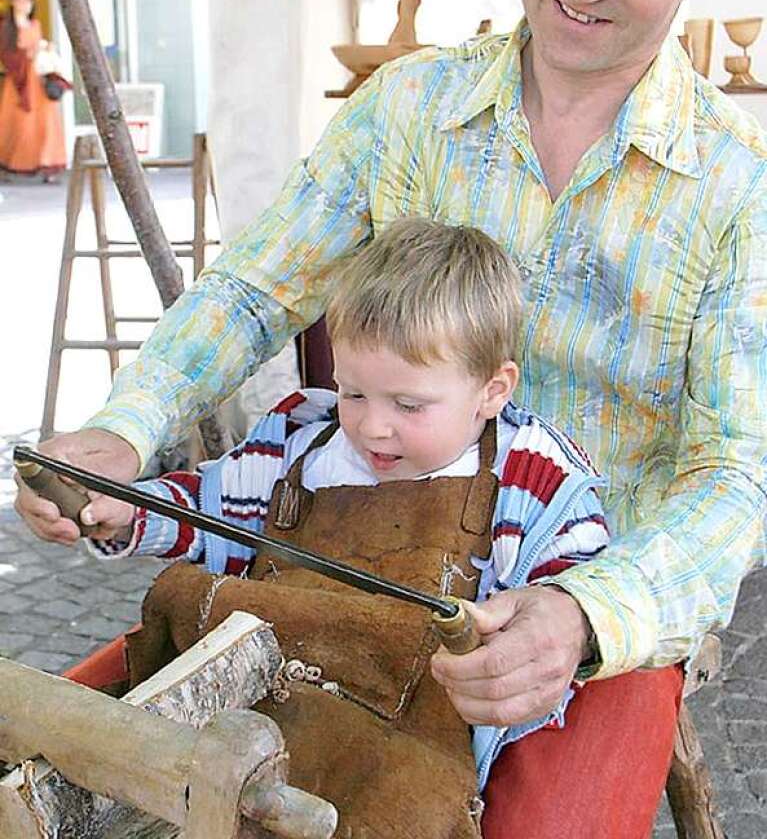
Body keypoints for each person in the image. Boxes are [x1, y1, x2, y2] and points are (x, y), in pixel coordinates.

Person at [15, 0, 767, 835]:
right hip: (337, 571)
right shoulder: (409, 108)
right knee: (64, 752)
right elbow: (251, 290)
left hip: (571, 620)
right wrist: (127, 428)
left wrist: (590, 614)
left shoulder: (733, 189)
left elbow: (737, 472)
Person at [84, 218, 609, 834]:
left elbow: (579, 594)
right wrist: (128, 511)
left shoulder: (534, 479)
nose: (371, 427)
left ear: (493, 390)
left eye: (408, 405)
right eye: (353, 393)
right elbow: (206, 514)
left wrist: (545, 625)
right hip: (249, 716)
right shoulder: (301, 443)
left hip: (398, 763)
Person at [0, 0, 67, 181]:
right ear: (13, 3)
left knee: (45, 124)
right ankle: (11, 163)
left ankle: (47, 165)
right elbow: (7, 55)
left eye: (28, 1)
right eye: (21, 1)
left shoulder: (35, 25)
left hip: (38, 81)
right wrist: (29, 54)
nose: (25, 5)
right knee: (18, 124)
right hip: (20, 83)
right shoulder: (6, 28)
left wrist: (45, 49)